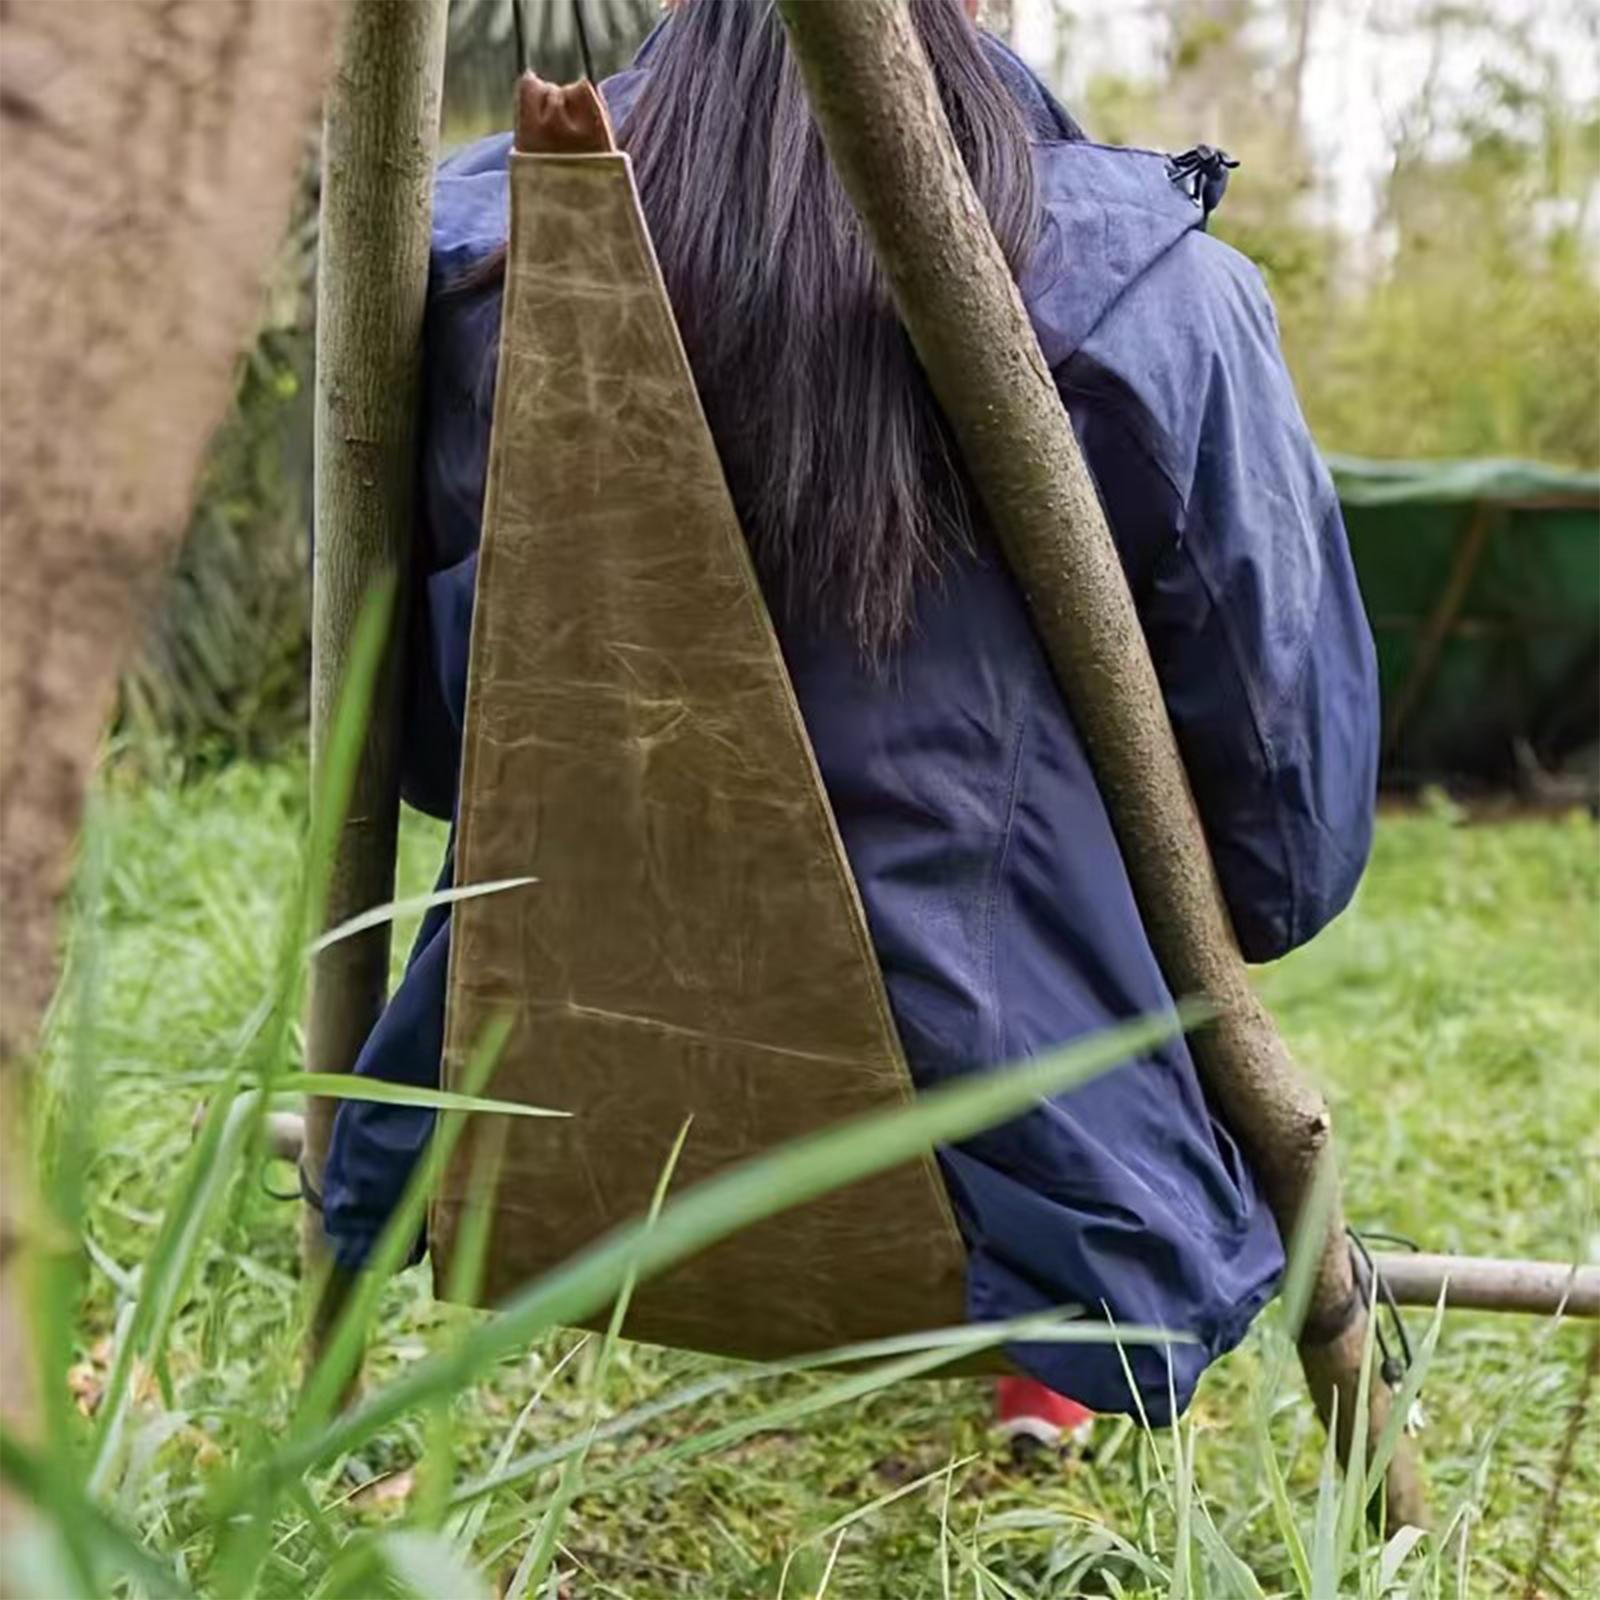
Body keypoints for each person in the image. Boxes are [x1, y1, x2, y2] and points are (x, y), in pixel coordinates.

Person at [321, 0, 1379, 1452]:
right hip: (1041, 1183)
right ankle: (1047, 1368)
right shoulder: (1157, 302)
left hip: (514, 1121)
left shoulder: (486, 269)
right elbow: (1285, 846)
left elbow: (438, 754)